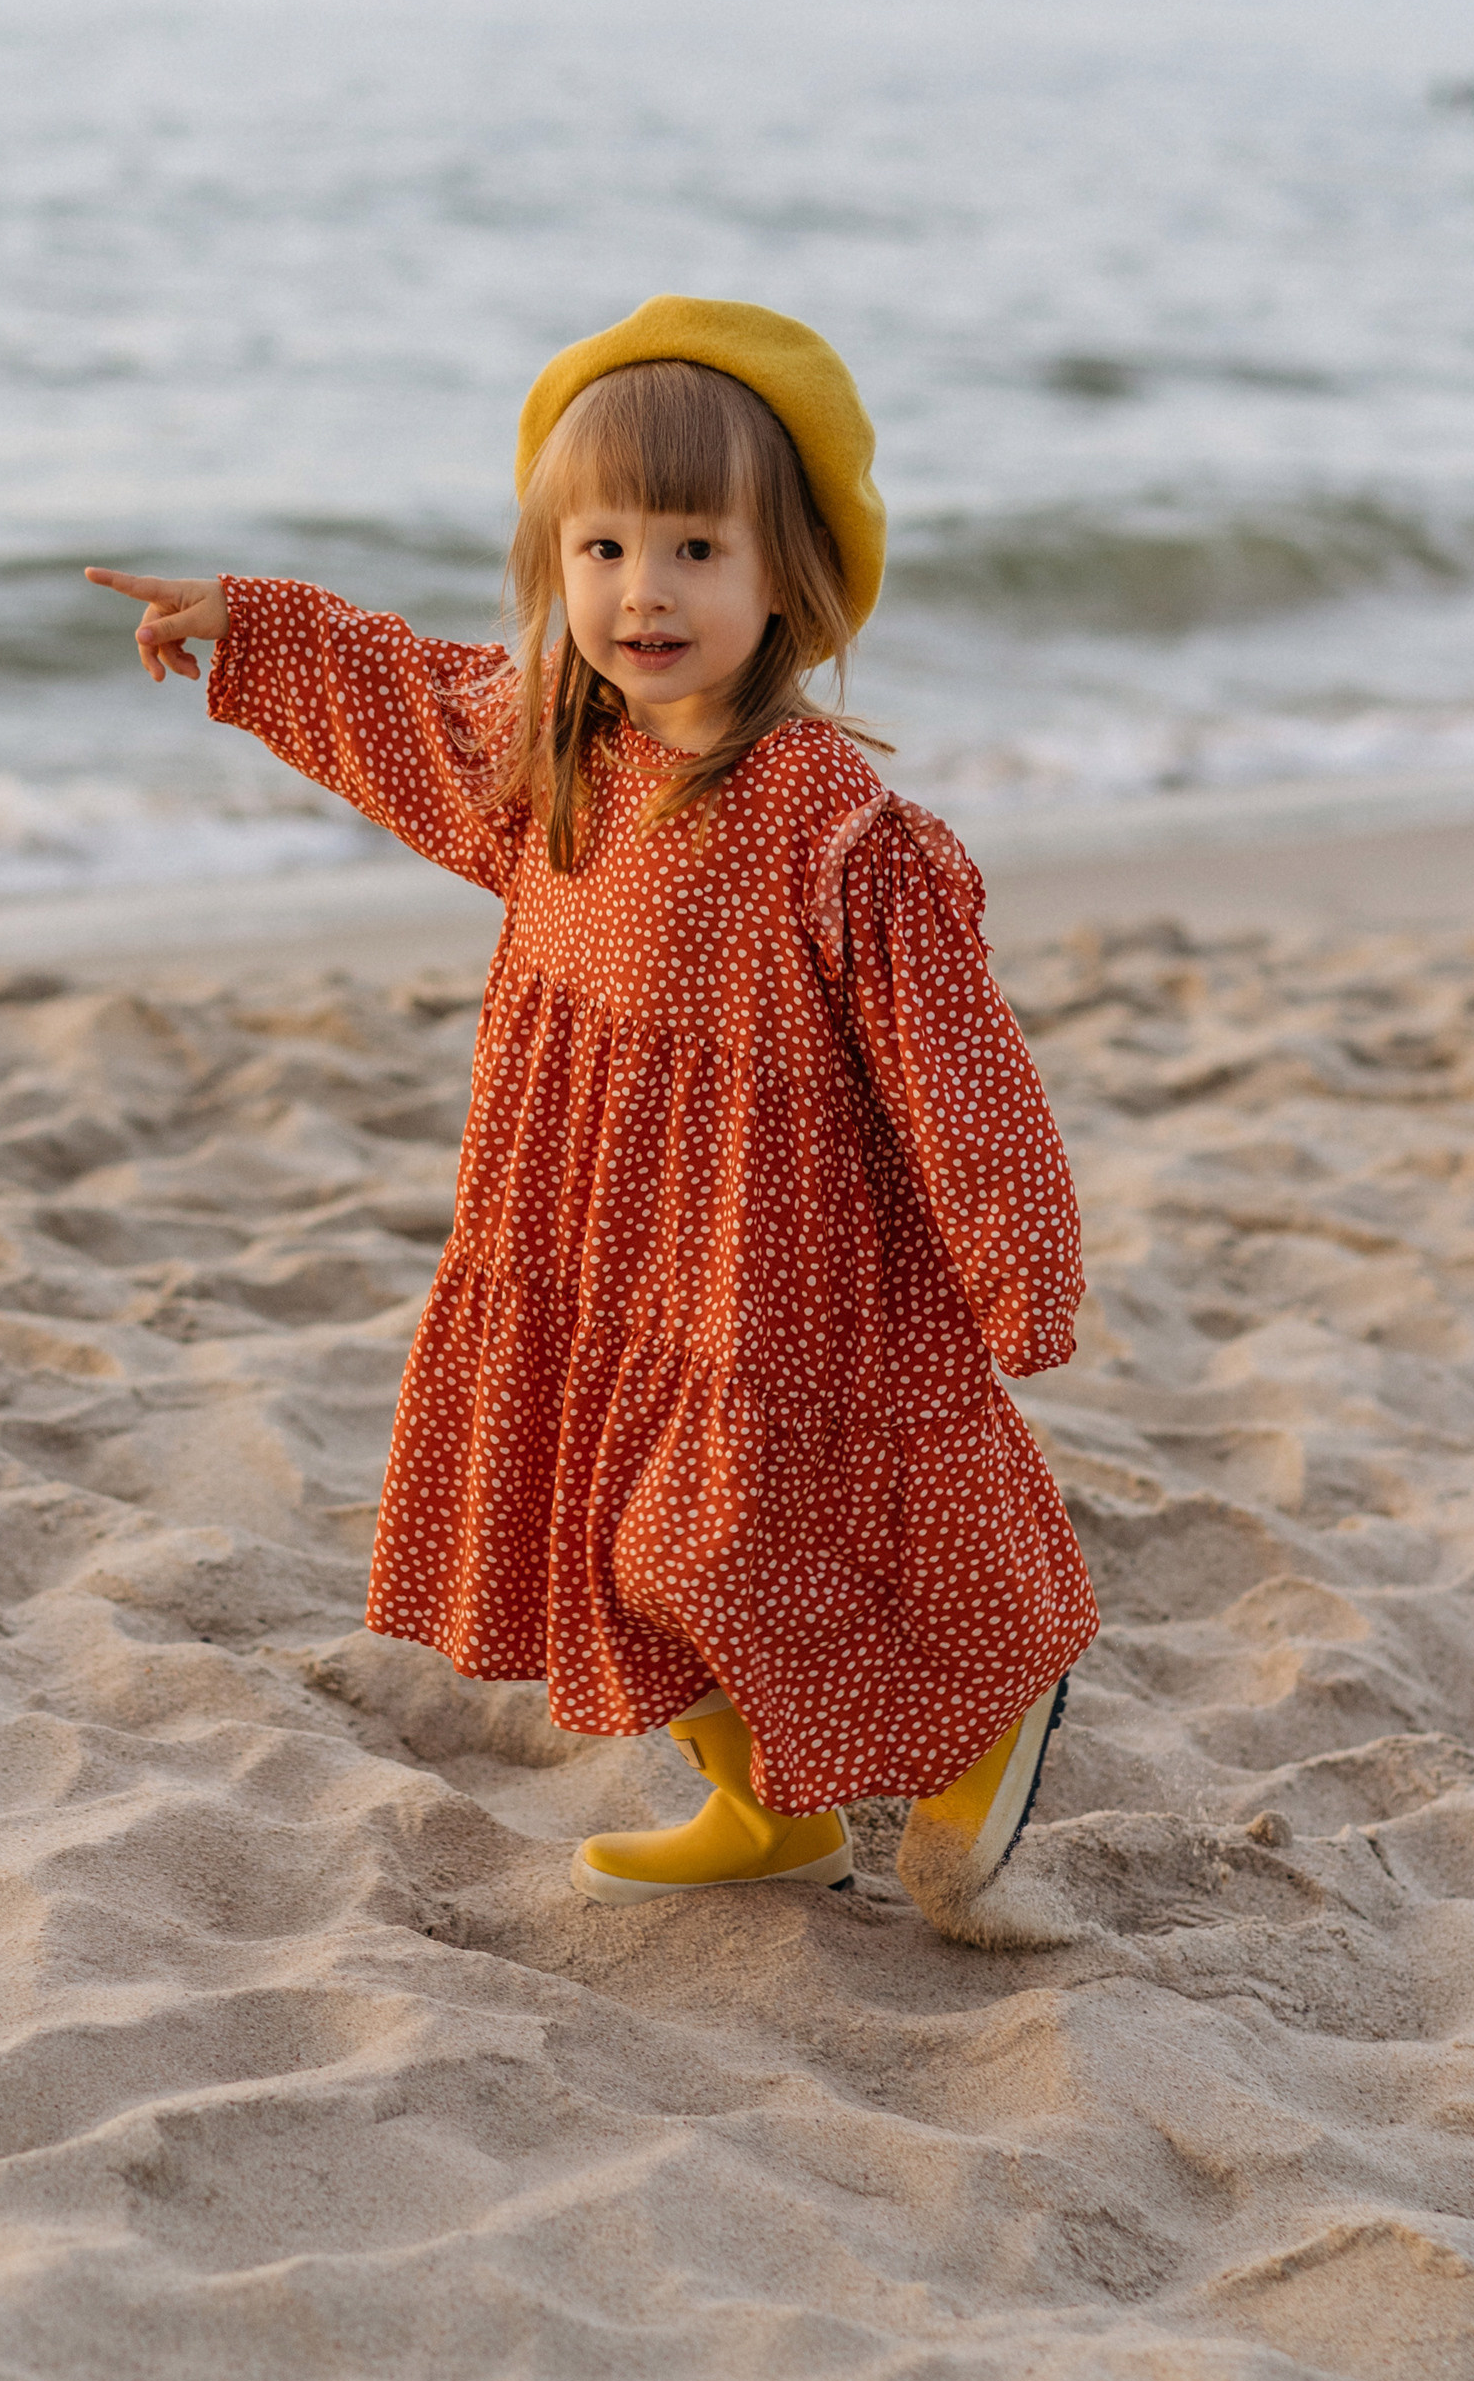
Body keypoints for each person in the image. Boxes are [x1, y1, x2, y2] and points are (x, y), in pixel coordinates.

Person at [86, 295, 1099, 1932]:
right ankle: (764, 1806)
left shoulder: (842, 834)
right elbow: (403, 694)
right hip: (590, 1238)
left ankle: (992, 1711)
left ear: (791, 576)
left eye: (697, 548)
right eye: (605, 548)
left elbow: (961, 1070)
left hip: (776, 1256)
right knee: (598, 1540)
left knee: (702, 1541)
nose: (646, 591)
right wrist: (249, 625)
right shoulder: (548, 752)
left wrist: (1017, 1262)